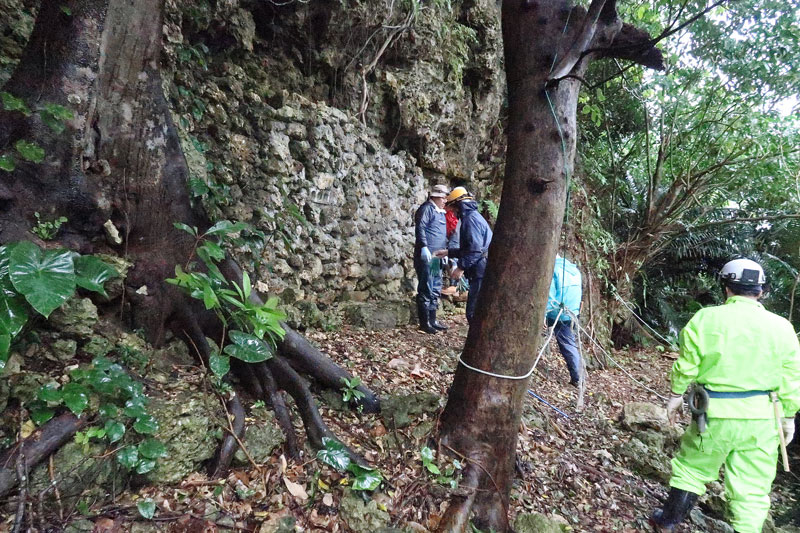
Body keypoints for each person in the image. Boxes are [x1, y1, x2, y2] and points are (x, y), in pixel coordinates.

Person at [650, 258, 800, 533]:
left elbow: (687, 364)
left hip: (714, 413)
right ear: (762, 291)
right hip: (762, 418)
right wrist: (788, 416)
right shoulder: (783, 328)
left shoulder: (707, 318)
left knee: (692, 469)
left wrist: (675, 395)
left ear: (726, 287)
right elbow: (792, 377)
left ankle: (668, 521)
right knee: (753, 490)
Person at [434, 187, 492, 324]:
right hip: (480, 268)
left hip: (480, 270)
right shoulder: (473, 217)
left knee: (473, 312)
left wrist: (460, 267)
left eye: (453, 209)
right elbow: (470, 248)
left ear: (458, 205)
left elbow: (475, 250)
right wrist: (449, 252)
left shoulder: (470, 220)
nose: (452, 213)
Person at [414, 184, 449, 334]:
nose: (445, 201)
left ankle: (433, 319)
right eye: (443, 197)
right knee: (426, 287)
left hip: (436, 258)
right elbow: (420, 227)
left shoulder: (440, 212)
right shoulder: (427, 209)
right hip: (427, 256)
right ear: (436, 196)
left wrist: (445, 254)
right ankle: (424, 322)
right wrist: (423, 246)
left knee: (435, 287)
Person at [546, 255, 583, 386]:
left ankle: (578, 377)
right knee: (570, 343)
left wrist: (544, 315)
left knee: (567, 345)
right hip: (573, 312)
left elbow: (549, 298)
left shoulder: (553, 270)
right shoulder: (574, 270)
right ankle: (578, 375)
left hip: (559, 314)